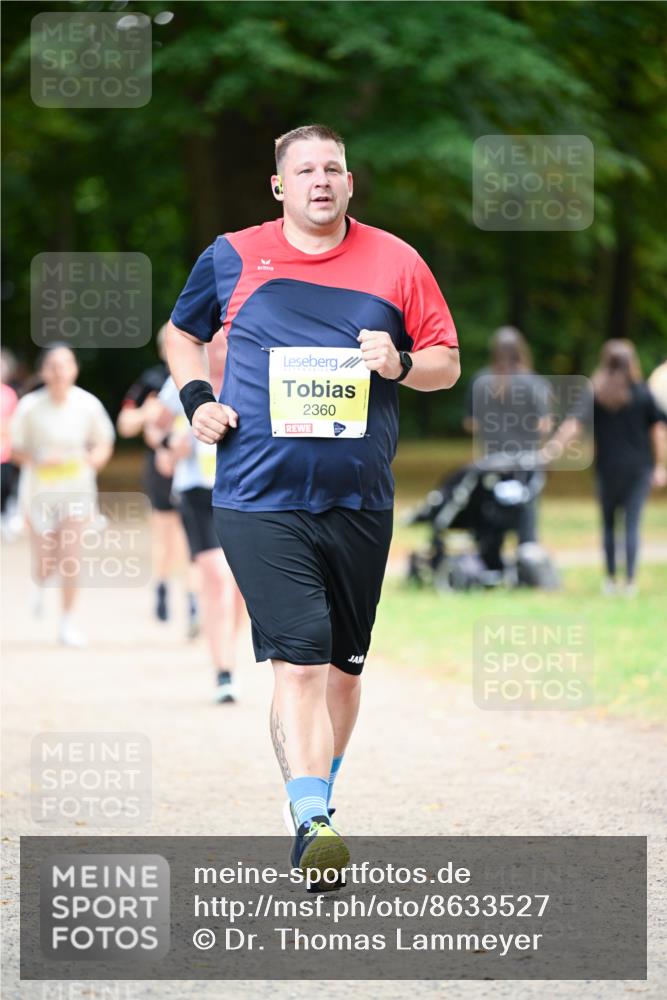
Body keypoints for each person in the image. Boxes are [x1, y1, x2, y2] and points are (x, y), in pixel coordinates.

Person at [165, 124, 460, 879]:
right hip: (256, 494)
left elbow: (446, 363)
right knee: (300, 658)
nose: (320, 181)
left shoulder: (397, 261)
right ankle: (313, 820)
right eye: (304, 171)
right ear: (279, 186)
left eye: (332, 169)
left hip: (359, 500)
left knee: (343, 672)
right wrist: (197, 398)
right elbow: (180, 335)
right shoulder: (231, 256)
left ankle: (313, 798)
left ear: (350, 183)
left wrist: (400, 362)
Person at [154, 331, 245, 704]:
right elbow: (156, 428)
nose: (219, 351)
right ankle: (223, 670)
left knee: (239, 584)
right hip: (196, 490)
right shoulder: (182, 379)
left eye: (225, 344)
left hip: (243, 490)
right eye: (213, 345)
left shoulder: (250, 376)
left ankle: (229, 647)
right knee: (216, 577)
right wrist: (168, 445)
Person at [10, 343, 115, 645]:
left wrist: (95, 458)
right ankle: (40, 582)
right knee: (46, 560)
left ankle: (68, 622)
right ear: (43, 371)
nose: (59, 372)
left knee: (70, 556)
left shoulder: (88, 404)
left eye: (65, 365)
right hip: (39, 492)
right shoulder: (29, 407)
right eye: (53, 366)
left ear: (74, 369)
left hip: (77, 491)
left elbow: (104, 441)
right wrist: (38, 459)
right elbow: (14, 449)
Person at [544, 339, 666, 596]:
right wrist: (659, 466)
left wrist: (551, 450)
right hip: (638, 469)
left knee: (609, 525)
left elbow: (573, 425)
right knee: (632, 524)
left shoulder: (596, 393)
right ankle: (630, 582)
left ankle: (610, 580)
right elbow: (658, 431)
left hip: (607, 469)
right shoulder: (643, 393)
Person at [117, 324, 197, 631]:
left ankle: (193, 600)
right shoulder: (152, 380)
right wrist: (147, 416)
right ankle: (162, 586)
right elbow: (127, 423)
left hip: (196, 468)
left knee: (194, 538)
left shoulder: (202, 374)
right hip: (162, 468)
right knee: (167, 535)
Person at [463, 326, 552, 547]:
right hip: (526, 460)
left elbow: (471, 424)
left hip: (492, 460)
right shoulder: (534, 382)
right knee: (526, 513)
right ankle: (526, 552)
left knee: (492, 510)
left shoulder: (481, 381)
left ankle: (492, 554)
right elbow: (544, 424)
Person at [1, 348, 20, 538]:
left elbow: (14, 422)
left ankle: (5, 514)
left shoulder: (9, 394)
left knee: (4, 485)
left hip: (4, 451)